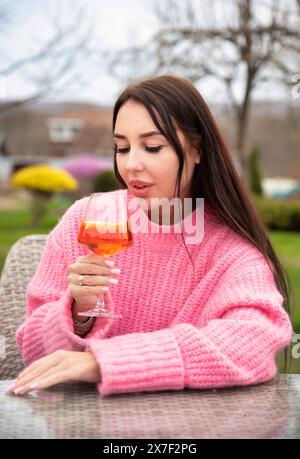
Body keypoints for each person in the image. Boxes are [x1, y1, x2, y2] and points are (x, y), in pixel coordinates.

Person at [7, 75, 292, 397]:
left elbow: (252, 344)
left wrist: (106, 362)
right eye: (121, 148)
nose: (131, 164)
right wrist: (78, 313)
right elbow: (33, 351)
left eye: (152, 147)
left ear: (197, 150)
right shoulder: (85, 220)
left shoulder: (232, 250)